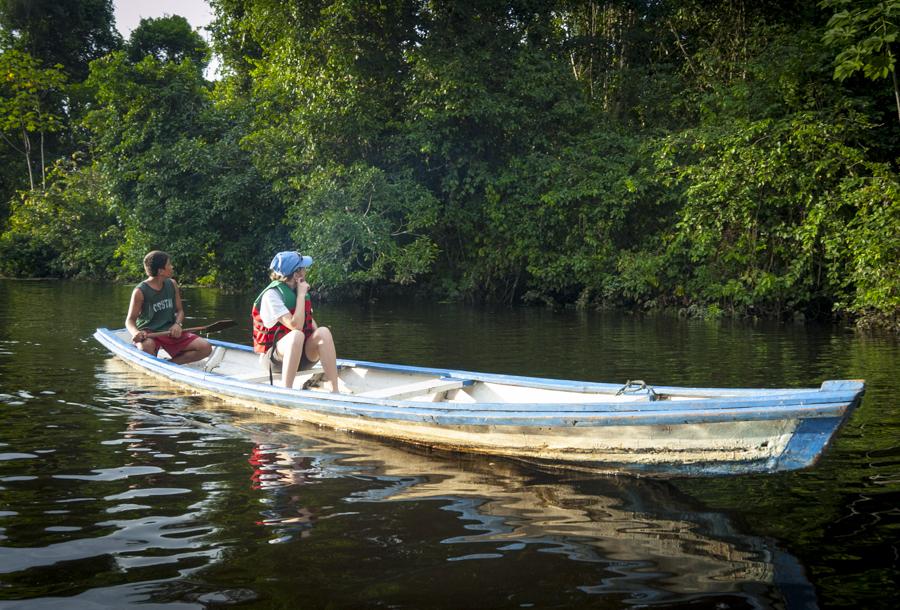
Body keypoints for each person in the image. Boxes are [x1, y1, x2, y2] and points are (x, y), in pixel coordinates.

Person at [251, 251, 339, 392]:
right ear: (296, 274)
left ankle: (335, 391)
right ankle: (287, 391)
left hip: (302, 358)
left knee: (323, 332)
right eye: (303, 268)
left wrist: (322, 346)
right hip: (274, 361)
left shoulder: (297, 291)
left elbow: (311, 327)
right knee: (296, 335)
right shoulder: (272, 295)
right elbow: (295, 325)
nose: (306, 271)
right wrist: (301, 296)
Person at [125, 250, 213, 365]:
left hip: (169, 331)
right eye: (169, 265)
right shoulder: (140, 291)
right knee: (146, 347)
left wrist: (177, 324)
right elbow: (130, 320)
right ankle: (154, 365)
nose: (172, 267)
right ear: (161, 271)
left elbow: (180, 311)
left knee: (205, 347)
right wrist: (135, 332)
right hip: (149, 333)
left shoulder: (172, 284)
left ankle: (169, 365)